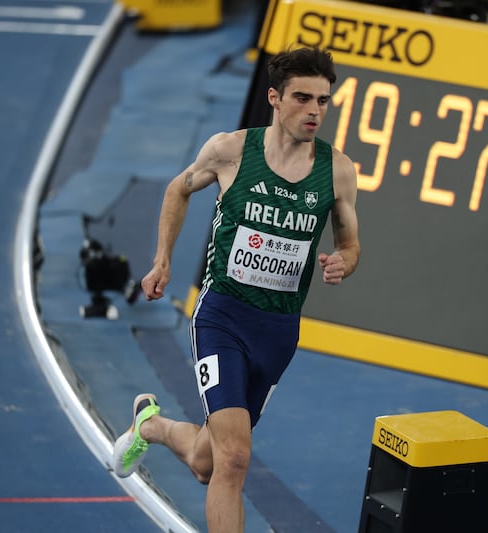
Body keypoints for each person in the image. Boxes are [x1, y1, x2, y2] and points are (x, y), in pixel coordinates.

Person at [110, 46, 361, 532]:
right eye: (303, 98)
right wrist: (162, 259)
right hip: (223, 317)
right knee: (236, 459)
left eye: (324, 101)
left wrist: (341, 265)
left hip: (279, 331)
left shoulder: (338, 171)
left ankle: (152, 426)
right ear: (274, 98)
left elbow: (350, 244)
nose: (315, 111)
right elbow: (177, 190)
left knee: (208, 462)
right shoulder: (229, 150)